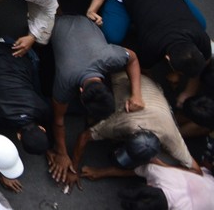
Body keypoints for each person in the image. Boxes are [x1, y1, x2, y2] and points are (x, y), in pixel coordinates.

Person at [46, 14, 145, 187]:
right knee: (51, 99)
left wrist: (137, 94)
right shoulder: (66, 78)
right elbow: (58, 119)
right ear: (81, 92)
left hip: (84, 21)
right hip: (55, 24)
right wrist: (62, 152)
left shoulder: (111, 57)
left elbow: (134, 58)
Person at [101, 0, 210, 102]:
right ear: (167, 58)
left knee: (201, 23)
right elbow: (142, 69)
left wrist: (188, 92)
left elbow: (206, 59)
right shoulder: (151, 45)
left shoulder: (200, 35)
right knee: (113, 36)